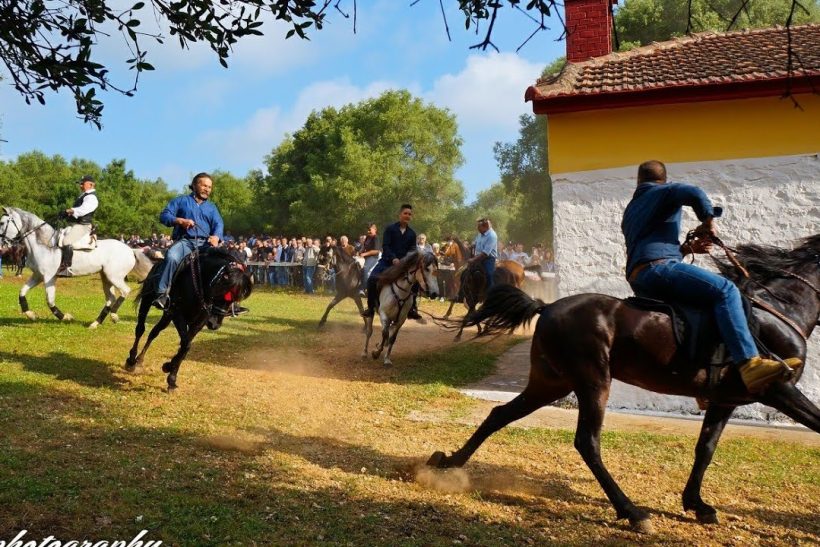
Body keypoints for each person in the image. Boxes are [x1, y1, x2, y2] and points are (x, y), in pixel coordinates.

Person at [622, 160, 798, 392]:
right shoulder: (664, 191)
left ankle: (707, 380)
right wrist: (708, 220)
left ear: (639, 181)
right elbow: (692, 192)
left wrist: (687, 250)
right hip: (660, 269)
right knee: (726, 290)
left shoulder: (632, 209)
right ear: (663, 179)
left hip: (640, 278)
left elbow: (648, 247)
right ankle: (749, 364)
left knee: (699, 313)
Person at [153, 172, 246, 315]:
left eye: (209, 187)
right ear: (195, 185)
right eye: (204, 185)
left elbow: (218, 224)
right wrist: (180, 221)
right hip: (186, 242)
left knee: (227, 265)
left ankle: (231, 303)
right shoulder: (181, 201)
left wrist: (216, 236)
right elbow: (164, 216)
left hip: (206, 245)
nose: (207, 189)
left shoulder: (212, 208)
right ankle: (162, 295)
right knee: (171, 257)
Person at [361, 204, 423, 320]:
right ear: (400, 214)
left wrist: (405, 261)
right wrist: (393, 258)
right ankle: (370, 309)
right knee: (371, 279)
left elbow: (413, 250)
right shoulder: (390, 229)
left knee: (415, 282)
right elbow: (386, 246)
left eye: (409, 214)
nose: (407, 216)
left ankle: (412, 309)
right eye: (405, 213)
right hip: (387, 262)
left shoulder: (412, 234)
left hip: (403, 265)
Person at [57, 175, 99, 276]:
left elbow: (83, 210)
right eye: (80, 183)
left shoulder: (91, 197)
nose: (80, 185)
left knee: (66, 241)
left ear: (91, 184)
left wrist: (69, 210)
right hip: (75, 224)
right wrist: (66, 214)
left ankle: (65, 266)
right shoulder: (83, 195)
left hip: (83, 226)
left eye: (82, 183)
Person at [468, 218, 498, 290]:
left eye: (479, 227)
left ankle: (491, 293)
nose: (477, 228)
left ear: (486, 227)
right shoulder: (480, 233)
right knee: (468, 272)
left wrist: (473, 260)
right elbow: (475, 242)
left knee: (489, 274)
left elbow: (485, 253)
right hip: (478, 257)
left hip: (488, 259)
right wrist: (471, 245)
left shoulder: (492, 236)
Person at [359, 222, 381, 295]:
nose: (368, 231)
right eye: (367, 229)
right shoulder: (368, 237)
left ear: (375, 229)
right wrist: (359, 252)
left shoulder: (376, 238)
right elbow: (364, 247)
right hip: (366, 257)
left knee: (365, 269)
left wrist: (365, 253)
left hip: (374, 258)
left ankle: (363, 288)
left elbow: (376, 251)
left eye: (370, 229)